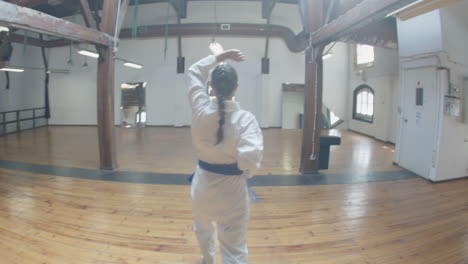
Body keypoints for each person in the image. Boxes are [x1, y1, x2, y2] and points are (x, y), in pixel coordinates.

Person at [187, 49, 264, 264]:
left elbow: (194, 72)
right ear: (236, 88)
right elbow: (250, 157)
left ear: (210, 86)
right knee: (234, 248)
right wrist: (245, 173)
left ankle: (207, 259)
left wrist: (221, 56)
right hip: (232, 191)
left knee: (202, 231)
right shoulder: (246, 120)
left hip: (202, 187)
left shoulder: (199, 109)